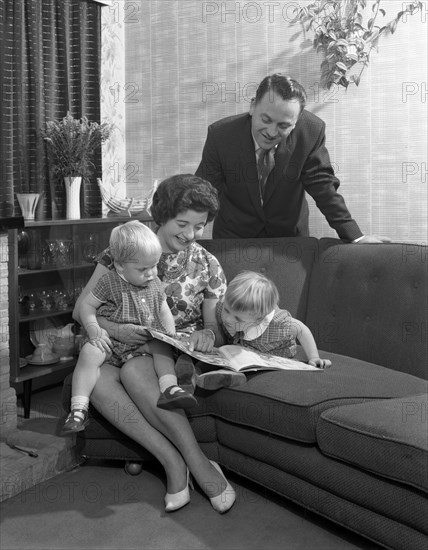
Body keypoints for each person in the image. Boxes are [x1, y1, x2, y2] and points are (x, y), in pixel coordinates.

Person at [73, 174, 237, 513]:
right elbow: (81, 310)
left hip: (164, 352)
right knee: (99, 383)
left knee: (135, 371)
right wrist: (116, 331)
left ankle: (199, 463)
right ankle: (173, 463)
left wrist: (205, 334)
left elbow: (214, 326)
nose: (190, 235)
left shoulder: (206, 263)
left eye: (199, 226)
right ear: (161, 216)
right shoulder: (122, 253)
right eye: (182, 224)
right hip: (116, 342)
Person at [195, 73, 390, 244]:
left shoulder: (311, 131)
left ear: (296, 122)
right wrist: (184, 231)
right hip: (234, 238)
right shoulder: (221, 135)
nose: (271, 132)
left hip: (289, 240)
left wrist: (355, 235)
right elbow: (204, 191)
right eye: (266, 120)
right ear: (253, 106)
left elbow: (322, 185)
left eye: (283, 126)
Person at [62, 221, 197, 435]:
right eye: (143, 269)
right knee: (89, 353)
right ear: (120, 266)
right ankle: (78, 409)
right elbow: (86, 306)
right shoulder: (109, 282)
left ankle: (169, 387)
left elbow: (163, 310)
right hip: (111, 342)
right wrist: (94, 328)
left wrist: (170, 334)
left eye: (154, 266)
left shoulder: (154, 284)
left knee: (162, 347)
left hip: (141, 344)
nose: (151, 273)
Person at [196, 270, 331, 389]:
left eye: (238, 319)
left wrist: (314, 357)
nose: (228, 319)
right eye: (227, 310)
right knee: (213, 356)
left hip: (273, 352)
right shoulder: (227, 308)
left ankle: (229, 376)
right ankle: (190, 374)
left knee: (242, 365)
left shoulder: (278, 324)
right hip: (244, 347)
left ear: (259, 319)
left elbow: (302, 330)